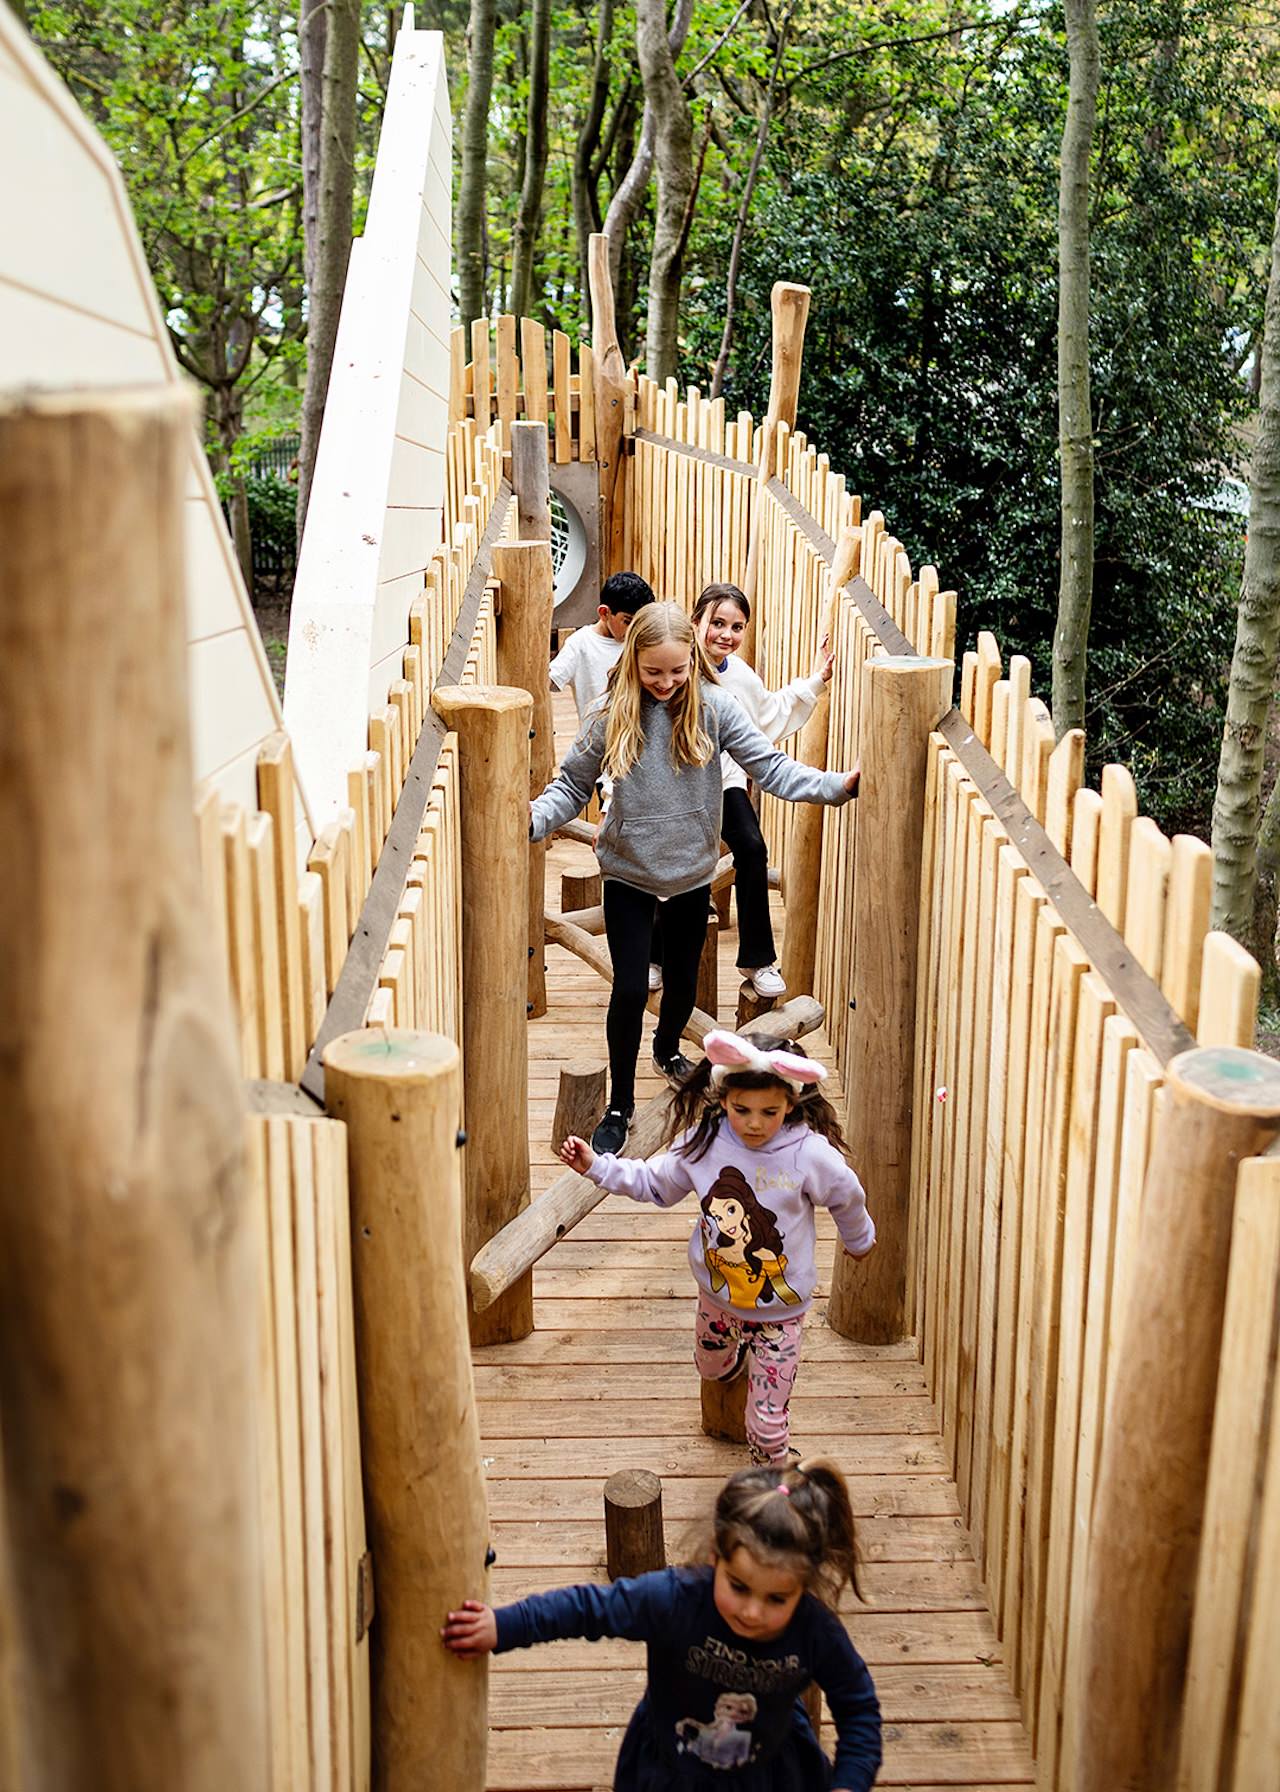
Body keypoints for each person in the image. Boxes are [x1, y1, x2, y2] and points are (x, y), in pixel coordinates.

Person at [529, 603, 859, 1156]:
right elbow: (571, 786)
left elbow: (771, 768)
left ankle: (666, 1047)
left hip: (688, 874)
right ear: (633, 662)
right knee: (632, 987)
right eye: (653, 672)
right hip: (629, 873)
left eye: (677, 671)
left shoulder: (714, 708)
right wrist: (534, 819)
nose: (665, 683)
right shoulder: (611, 714)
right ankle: (620, 1103)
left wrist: (835, 785)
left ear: (692, 661)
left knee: (682, 982)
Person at [442, 1458, 882, 1791]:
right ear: (716, 1557)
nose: (751, 1611)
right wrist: (502, 1626)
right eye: (739, 1586)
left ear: (804, 1587)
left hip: (769, 1777)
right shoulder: (676, 1600)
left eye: (776, 1599)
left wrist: (849, 1782)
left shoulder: (814, 1632)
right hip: (671, 1774)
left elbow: (858, 1708)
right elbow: (587, 1608)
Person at [558, 1028, 875, 1465]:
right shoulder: (704, 1143)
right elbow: (654, 1183)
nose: (755, 1123)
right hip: (717, 1301)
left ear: (791, 1104)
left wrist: (859, 1241)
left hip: (778, 1316)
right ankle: (731, 1366)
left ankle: (770, 1487)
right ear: (723, 1099)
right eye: (742, 1110)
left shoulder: (810, 1154)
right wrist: (596, 1166)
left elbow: (847, 1196)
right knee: (711, 1369)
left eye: (770, 1111)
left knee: (766, 1423)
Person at [688, 583, 833, 1001]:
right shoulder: (676, 661)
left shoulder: (740, 674)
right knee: (675, 858)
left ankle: (756, 959)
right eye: (717, 623)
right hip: (677, 784)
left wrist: (816, 682)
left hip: (724, 780)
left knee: (751, 848)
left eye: (736, 627)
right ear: (696, 621)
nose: (726, 635)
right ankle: (657, 956)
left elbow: (768, 713)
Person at [549, 569, 655, 724]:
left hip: (636, 734)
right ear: (605, 613)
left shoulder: (640, 640)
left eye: (639, 622)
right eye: (627, 621)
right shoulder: (580, 643)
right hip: (596, 738)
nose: (634, 629)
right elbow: (550, 680)